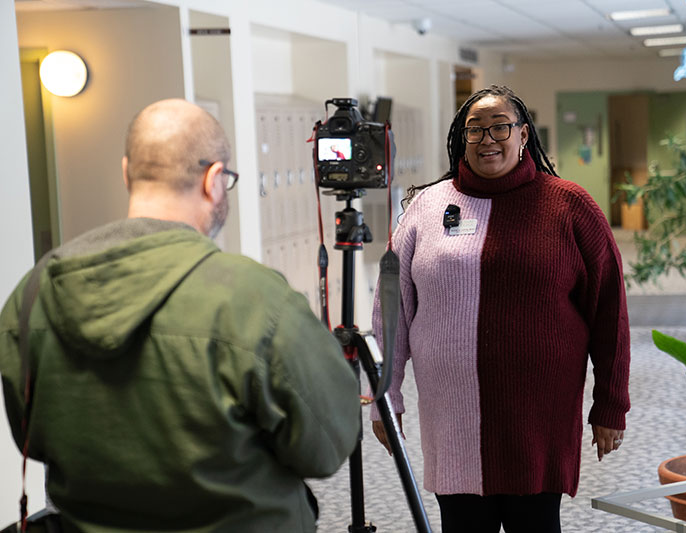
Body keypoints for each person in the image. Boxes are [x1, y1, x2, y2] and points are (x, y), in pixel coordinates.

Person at [0, 99, 360, 532]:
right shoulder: (256, 299)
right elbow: (327, 446)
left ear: (127, 172)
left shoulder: (32, 293)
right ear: (213, 181)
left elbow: (30, 439)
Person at [371, 85, 630, 532]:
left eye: (500, 127)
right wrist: (384, 398)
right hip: (453, 418)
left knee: (536, 523)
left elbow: (611, 314)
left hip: (537, 419)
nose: (488, 139)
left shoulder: (570, 207)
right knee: (462, 523)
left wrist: (610, 404)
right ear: (461, 138)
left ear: (524, 135)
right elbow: (390, 311)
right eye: (475, 130)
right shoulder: (426, 208)